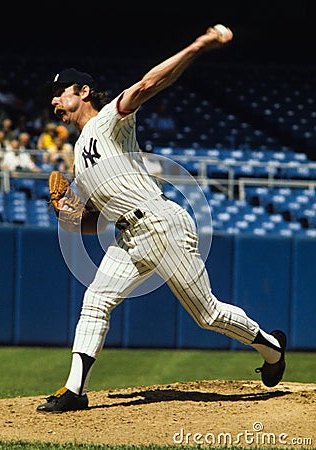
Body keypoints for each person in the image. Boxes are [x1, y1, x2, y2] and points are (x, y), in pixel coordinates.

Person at [36, 25, 286, 413]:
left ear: (82, 92)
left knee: (208, 314)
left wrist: (200, 45)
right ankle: (74, 391)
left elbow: (151, 82)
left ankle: (272, 350)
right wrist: (71, 218)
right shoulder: (81, 157)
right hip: (128, 236)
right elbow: (98, 220)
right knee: (96, 299)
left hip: (161, 224)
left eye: (59, 92)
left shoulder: (107, 122)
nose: (53, 101)